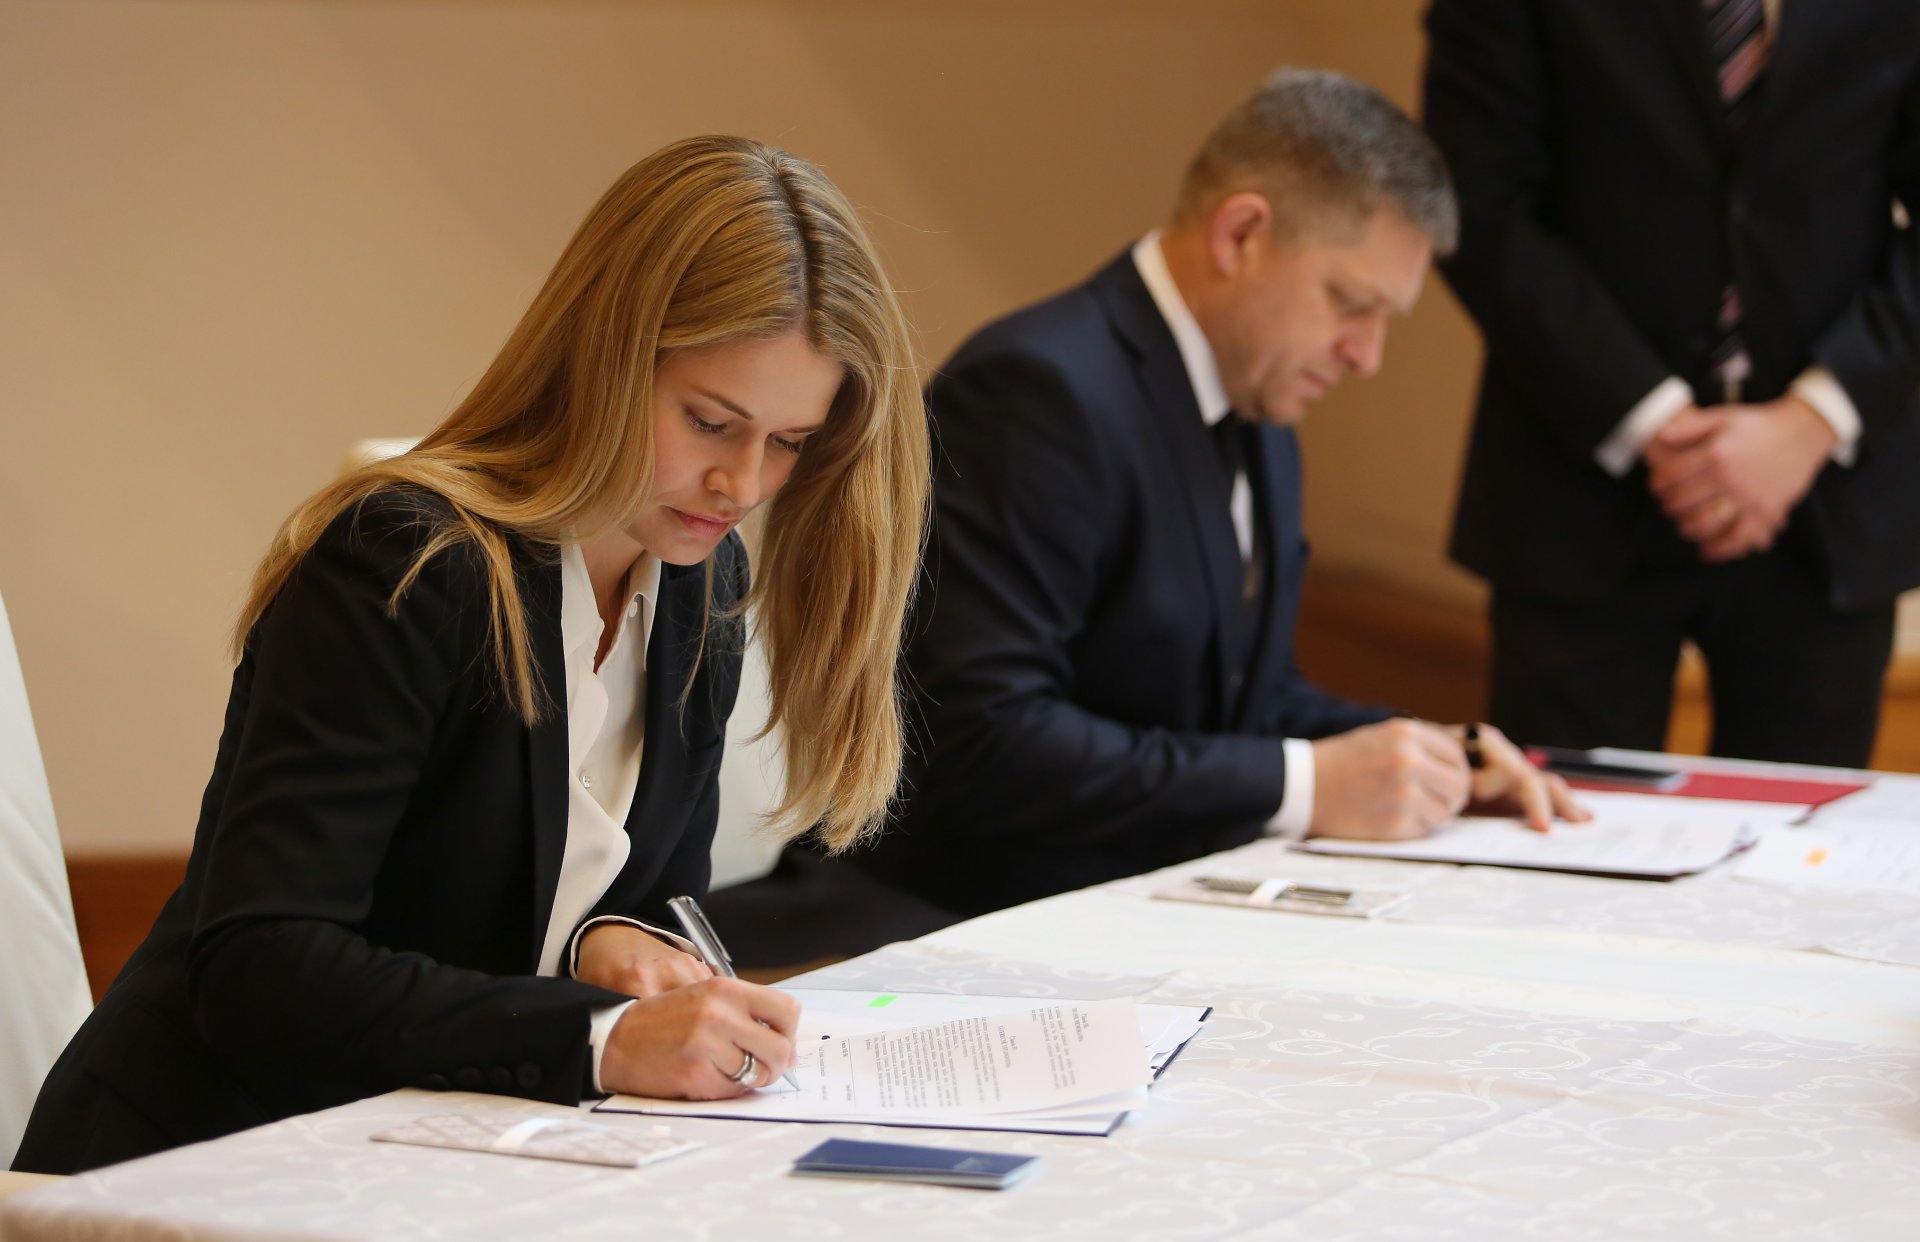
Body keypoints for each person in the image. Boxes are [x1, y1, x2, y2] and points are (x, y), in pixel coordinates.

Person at [12, 135, 928, 1174]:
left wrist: (604, 948)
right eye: (712, 422)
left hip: (429, 1151)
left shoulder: (701, 585)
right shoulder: (404, 561)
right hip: (194, 1163)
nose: (744, 485)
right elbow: (261, 968)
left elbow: (596, 903)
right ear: (603, 358)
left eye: (791, 442)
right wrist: (602, 1037)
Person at [765, 68, 1582, 930]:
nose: (1366, 355)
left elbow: (1245, 697)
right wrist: (1307, 785)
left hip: (1140, 905)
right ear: (1242, 235)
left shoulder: (1259, 405)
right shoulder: (1038, 391)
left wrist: (1430, 759)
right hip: (959, 916)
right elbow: (983, 745)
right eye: (1351, 303)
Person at [1424, 0, 1920, 765]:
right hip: (1578, 481)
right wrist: (1655, 423)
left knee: (1799, 832)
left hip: (1827, 503)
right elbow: (1476, 202)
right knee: (1568, 824)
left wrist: (1813, 418)